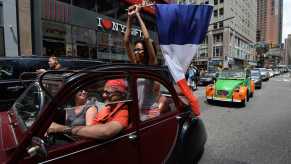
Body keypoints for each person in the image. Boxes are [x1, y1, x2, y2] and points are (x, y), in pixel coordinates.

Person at [48, 79, 129, 140]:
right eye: (104, 92)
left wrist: (62, 129)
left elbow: (106, 131)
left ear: (121, 94)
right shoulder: (108, 108)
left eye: (108, 93)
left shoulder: (123, 112)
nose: (104, 95)